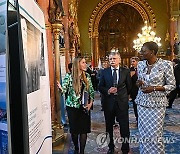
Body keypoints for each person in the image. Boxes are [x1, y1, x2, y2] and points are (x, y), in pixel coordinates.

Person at [135, 41, 176, 154]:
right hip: (142, 102)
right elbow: (138, 82)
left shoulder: (166, 65)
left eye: (144, 51)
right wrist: (139, 83)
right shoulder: (141, 64)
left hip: (157, 104)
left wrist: (153, 88)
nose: (141, 53)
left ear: (152, 52)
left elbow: (172, 85)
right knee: (143, 132)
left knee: (155, 133)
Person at [57, 57, 94, 154]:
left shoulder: (87, 76)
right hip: (72, 108)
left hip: (84, 107)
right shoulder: (69, 76)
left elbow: (91, 91)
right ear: (78, 64)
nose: (85, 64)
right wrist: (61, 88)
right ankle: (76, 147)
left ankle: (81, 151)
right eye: (83, 63)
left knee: (84, 130)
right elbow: (64, 89)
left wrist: (90, 103)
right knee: (74, 131)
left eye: (85, 62)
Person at [99, 52, 132, 154]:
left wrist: (123, 95)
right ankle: (111, 147)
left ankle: (125, 148)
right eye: (110, 59)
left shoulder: (125, 71)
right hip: (108, 103)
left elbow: (129, 87)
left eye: (114, 58)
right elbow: (100, 87)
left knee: (124, 127)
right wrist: (108, 91)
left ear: (119, 60)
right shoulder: (104, 72)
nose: (112, 60)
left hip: (121, 103)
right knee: (109, 127)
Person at [129, 57, 139, 125]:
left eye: (133, 61)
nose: (132, 63)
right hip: (134, 91)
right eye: (131, 62)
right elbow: (128, 81)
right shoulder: (130, 70)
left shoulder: (143, 69)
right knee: (135, 106)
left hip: (143, 90)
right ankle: (137, 119)